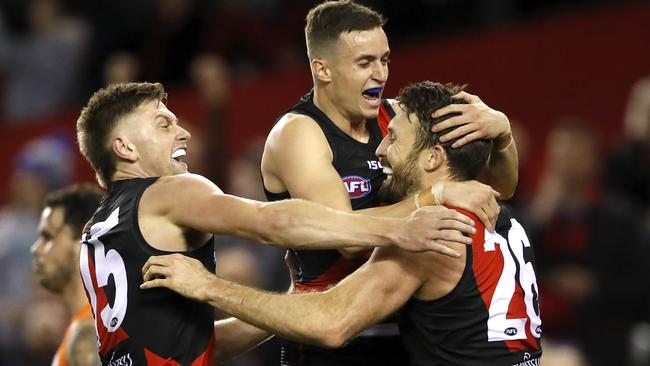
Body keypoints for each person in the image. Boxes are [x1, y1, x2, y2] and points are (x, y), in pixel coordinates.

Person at [75, 81, 478, 365]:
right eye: (164, 124)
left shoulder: (97, 229)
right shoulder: (170, 191)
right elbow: (271, 222)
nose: (183, 133)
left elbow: (191, 346)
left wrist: (292, 299)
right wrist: (408, 217)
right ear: (124, 147)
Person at [259, 1, 518, 364]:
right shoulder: (299, 134)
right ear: (323, 70)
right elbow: (345, 236)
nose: (380, 74)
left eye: (385, 60)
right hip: (333, 339)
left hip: (406, 333)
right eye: (365, 63)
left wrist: (502, 135)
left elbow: (497, 191)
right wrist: (434, 195)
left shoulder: (399, 118)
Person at [30, 183, 103, 366]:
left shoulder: (86, 337)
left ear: (81, 245)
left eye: (48, 237)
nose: (36, 249)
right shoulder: (91, 326)